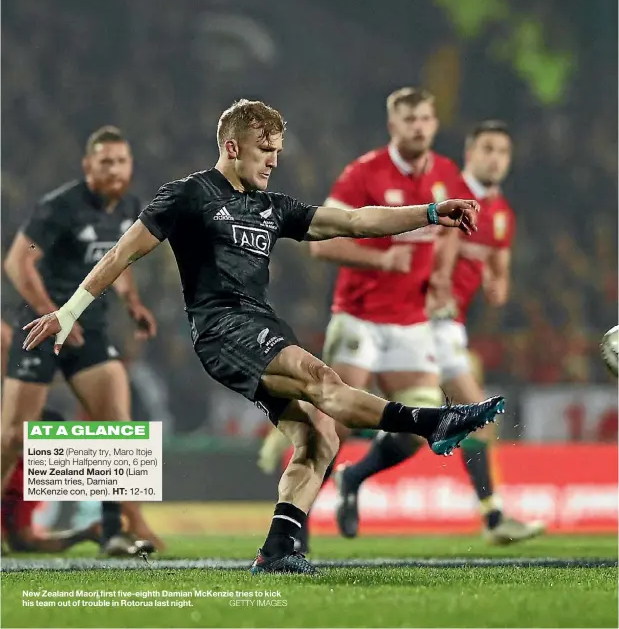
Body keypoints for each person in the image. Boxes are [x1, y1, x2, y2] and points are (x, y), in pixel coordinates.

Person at [22, 99, 505, 575]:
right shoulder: (190, 195)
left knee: (319, 436)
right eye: (264, 149)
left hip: (263, 324)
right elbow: (122, 253)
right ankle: (432, 423)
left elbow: (355, 221)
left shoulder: (273, 207)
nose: (274, 160)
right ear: (232, 147)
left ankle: (278, 548)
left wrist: (431, 210)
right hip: (221, 327)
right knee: (320, 377)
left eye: (277, 149)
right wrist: (67, 312)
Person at [259, 86, 466, 551]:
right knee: (334, 422)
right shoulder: (364, 173)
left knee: (418, 429)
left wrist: (442, 277)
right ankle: (297, 531)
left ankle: (354, 480)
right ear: (393, 125)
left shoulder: (447, 174)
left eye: (426, 118)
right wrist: (381, 262)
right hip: (360, 317)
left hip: (411, 321)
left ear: (434, 123)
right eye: (409, 119)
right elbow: (320, 243)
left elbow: (452, 231)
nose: (418, 126)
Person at [334, 120, 545, 545]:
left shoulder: (502, 216)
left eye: (503, 152)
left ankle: (353, 476)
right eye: (487, 149)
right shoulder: (443, 192)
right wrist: (437, 284)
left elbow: (498, 273)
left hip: (449, 325)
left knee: (417, 431)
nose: (496, 159)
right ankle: (494, 517)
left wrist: (497, 286)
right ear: (470, 153)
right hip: (417, 319)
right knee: (475, 415)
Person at [2, 126, 158, 557]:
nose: (114, 169)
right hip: (41, 326)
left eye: (121, 161)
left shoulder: (128, 207)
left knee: (117, 426)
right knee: (14, 437)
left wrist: (132, 300)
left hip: (89, 330)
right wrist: (53, 311)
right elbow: (17, 263)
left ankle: (113, 532)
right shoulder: (58, 208)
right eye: (105, 161)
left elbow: (117, 259)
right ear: (87, 166)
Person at [1, 408, 164, 554]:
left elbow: (22, 541)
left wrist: (84, 534)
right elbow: (23, 541)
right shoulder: (24, 476)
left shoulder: (25, 476)